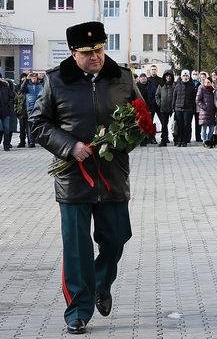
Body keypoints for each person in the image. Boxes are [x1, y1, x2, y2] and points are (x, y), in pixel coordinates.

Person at [29, 21, 138, 334]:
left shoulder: (122, 78)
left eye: (100, 49)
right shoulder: (55, 81)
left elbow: (140, 118)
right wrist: (69, 146)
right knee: (76, 248)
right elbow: (37, 124)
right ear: (73, 53)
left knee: (117, 238)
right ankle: (78, 309)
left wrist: (125, 139)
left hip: (113, 176)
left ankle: (101, 282)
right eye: (89, 52)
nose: (97, 57)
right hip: (74, 179)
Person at [20, 72, 44, 147]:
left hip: (40, 108)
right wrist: (27, 79)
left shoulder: (41, 85)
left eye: (35, 77)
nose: (34, 79)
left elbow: (47, 88)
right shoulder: (27, 86)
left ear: (37, 78)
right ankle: (31, 142)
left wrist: (43, 78)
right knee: (31, 125)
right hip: (30, 108)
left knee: (40, 125)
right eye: (32, 77)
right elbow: (22, 89)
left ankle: (41, 141)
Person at [155, 70, 175, 147]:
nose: (168, 77)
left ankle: (176, 138)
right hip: (163, 108)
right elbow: (157, 95)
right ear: (164, 77)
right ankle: (164, 140)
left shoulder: (174, 85)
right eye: (167, 76)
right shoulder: (161, 86)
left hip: (172, 108)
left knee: (175, 124)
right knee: (164, 125)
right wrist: (159, 103)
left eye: (170, 76)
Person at [135, 73, 156, 146]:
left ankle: (151, 138)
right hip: (141, 109)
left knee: (150, 124)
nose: (143, 78)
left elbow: (155, 95)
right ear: (139, 79)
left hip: (150, 108)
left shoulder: (151, 85)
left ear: (146, 78)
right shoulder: (137, 86)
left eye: (144, 77)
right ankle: (143, 140)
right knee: (142, 124)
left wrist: (153, 104)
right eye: (142, 77)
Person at [196, 76, 217, 146]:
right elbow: (198, 100)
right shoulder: (201, 89)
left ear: (211, 83)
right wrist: (204, 107)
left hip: (211, 112)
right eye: (205, 82)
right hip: (204, 112)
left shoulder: (213, 90)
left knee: (212, 128)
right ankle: (204, 141)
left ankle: (208, 140)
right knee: (204, 128)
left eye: (208, 82)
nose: (207, 83)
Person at [0, 75, 13, 151]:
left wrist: (8, 105)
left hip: (6, 111)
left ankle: (6, 145)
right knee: (0, 129)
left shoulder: (5, 86)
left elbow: (12, 96)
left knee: (7, 129)